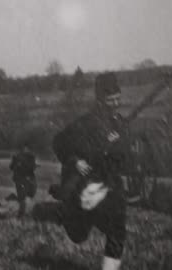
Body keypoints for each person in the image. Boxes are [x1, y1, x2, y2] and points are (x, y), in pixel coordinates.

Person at [52, 72, 129, 270]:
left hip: (110, 186)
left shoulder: (120, 123)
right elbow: (59, 142)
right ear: (100, 100)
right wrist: (74, 161)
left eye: (118, 99)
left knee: (118, 229)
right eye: (110, 99)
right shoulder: (84, 123)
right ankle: (61, 211)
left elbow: (123, 155)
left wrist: (117, 145)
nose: (115, 103)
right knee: (78, 235)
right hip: (85, 186)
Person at [9, 143, 37, 217]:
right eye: (23, 148)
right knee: (22, 197)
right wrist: (17, 165)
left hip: (27, 178)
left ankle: (23, 212)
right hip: (20, 179)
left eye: (25, 148)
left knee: (28, 194)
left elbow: (32, 167)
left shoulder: (31, 156)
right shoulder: (17, 156)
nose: (24, 150)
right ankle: (21, 214)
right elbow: (11, 167)